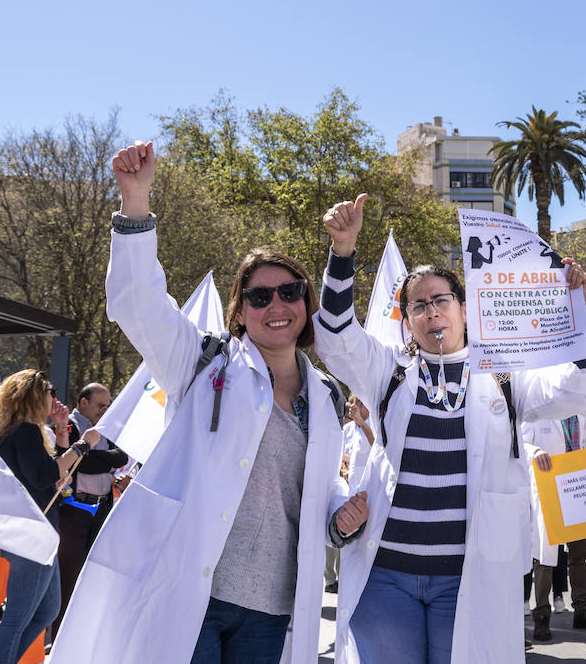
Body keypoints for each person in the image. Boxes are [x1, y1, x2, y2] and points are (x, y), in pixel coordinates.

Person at [54, 141, 369, 664]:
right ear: (239, 312)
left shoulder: (327, 396)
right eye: (259, 296)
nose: (277, 305)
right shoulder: (200, 365)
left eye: (290, 292)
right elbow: (140, 304)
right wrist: (136, 199)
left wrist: (340, 515)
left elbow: (318, 488)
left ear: (307, 307)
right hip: (191, 592)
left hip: (271, 607)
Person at [318, 192, 586, 663]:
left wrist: (572, 311)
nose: (431, 312)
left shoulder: (506, 375)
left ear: (465, 309)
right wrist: (342, 251)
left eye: (440, 300)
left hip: (469, 576)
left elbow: (571, 391)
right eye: (418, 305)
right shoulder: (390, 371)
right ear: (407, 322)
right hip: (388, 576)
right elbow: (335, 338)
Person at [0, 370, 100, 664]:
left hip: (35, 534)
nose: (55, 398)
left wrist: (63, 432)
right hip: (32, 535)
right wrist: (81, 445)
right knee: (16, 619)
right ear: (36, 395)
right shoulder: (25, 431)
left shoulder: (16, 431)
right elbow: (46, 474)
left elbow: (50, 474)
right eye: (51, 391)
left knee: (47, 610)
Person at [523, 413, 586, 640]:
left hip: (576, 490)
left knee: (579, 552)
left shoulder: (579, 417)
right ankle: (542, 615)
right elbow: (521, 442)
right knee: (546, 554)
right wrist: (536, 452)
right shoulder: (537, 413)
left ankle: (581, 608)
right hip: (549, 489)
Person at [54, 382, 129, 634]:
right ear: (83, 402)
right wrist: (99, 460)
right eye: (100, 405)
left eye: (108, 406)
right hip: (74, 513)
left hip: (101, 512)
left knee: (93, 577)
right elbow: (79, 465)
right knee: (68, 577)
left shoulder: (106, 429)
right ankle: (58, 636)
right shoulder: (69, 427)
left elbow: (122, 457)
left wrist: (92, 457)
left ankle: (83, 634)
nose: (104, 410)